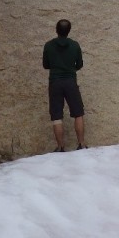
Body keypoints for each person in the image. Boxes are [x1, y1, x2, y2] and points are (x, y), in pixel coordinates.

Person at [42, 18, 88, 152]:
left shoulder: (48, 45)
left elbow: (45, 65)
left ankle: (61, 147)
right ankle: (81, 144)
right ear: (69, 31)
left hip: (55, 82)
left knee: (56, 116)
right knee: (78, 113)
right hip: (70, 82)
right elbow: (79, 64)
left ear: (56, 30)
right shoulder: (75, 45)